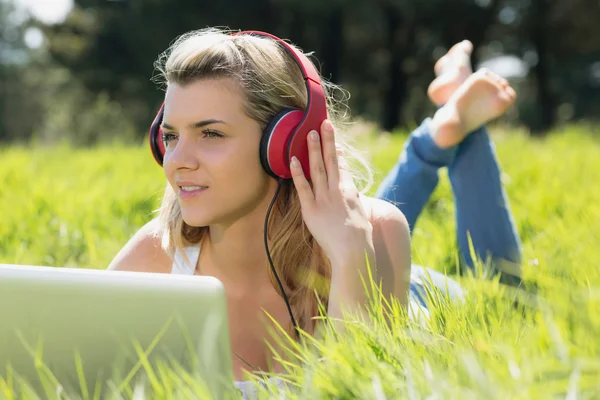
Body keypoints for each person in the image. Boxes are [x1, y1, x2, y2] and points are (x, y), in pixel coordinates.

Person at [107, 28, 522, 396]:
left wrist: (351, 255)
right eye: (170, 135)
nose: (177, 160)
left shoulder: (374, 234)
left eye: (211, 133)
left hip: (414, 295)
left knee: (504, 293)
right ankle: (443, 126)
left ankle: (450, 127)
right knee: (364, 218)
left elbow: (358, 388)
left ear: (285, 142)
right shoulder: (154, 258)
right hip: (350, 237)